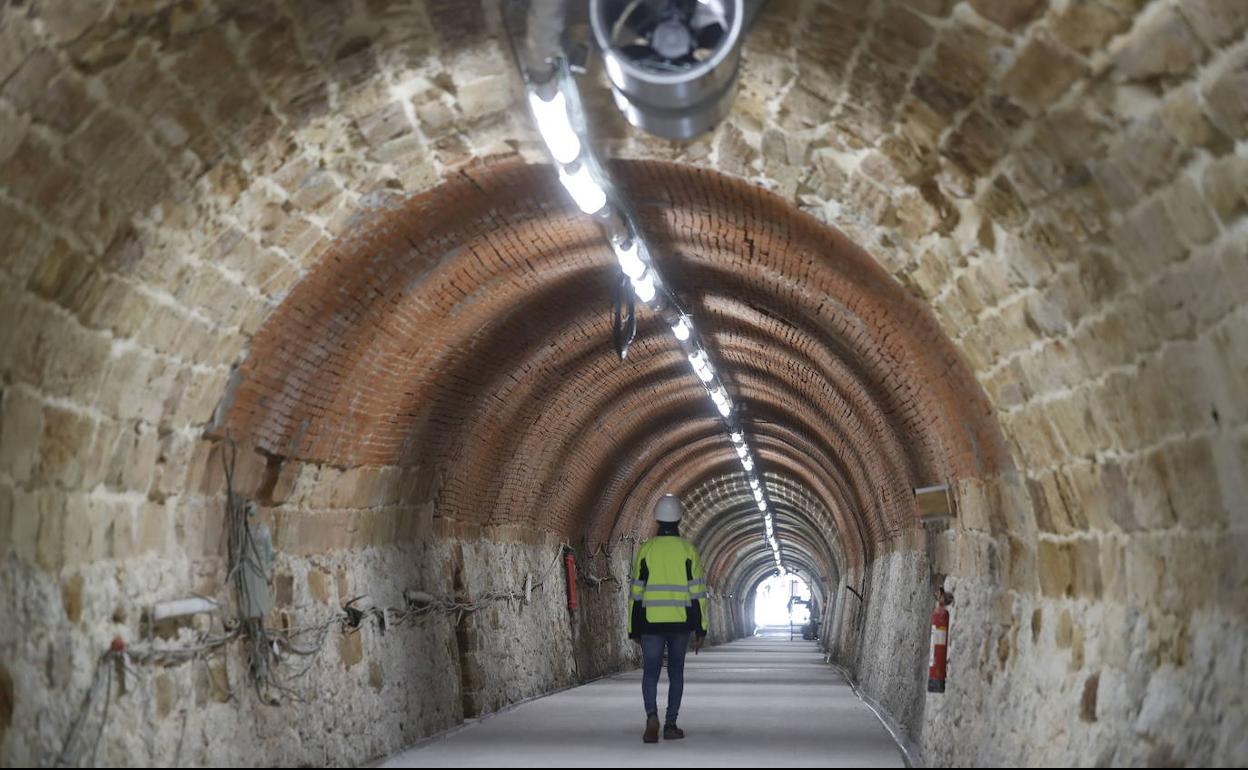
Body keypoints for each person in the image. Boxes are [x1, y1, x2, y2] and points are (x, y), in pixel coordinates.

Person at [628, 494, 708, 743]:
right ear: (679, 520)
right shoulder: (688, 551)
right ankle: (671, 724)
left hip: (651, 623)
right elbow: (697, 593)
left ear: (657, 520)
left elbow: (636, 592)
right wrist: (701, 628)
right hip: (680, 623)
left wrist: (634, 627)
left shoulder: (646, 550)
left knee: (650, 672)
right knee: (676, 673)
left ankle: (651, 716)